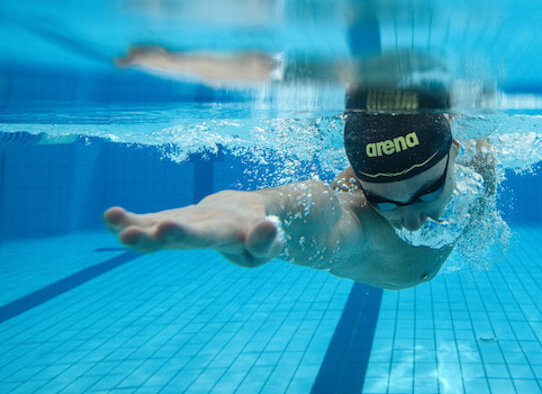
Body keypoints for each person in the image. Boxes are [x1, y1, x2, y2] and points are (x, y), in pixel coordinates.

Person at [104, 87, 498, 290]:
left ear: (455, 152)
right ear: (362, 187)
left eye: (427, 193)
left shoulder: (480, 157)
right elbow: (327, 217)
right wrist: (258, 207)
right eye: (385, 203)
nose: (411, 222)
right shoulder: (363, 221)